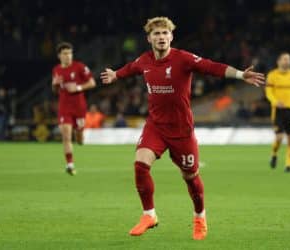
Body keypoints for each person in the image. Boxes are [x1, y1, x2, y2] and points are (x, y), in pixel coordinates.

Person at [100, 17, 265, 240]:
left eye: (165, 33)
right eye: (156, 34)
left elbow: (211, 67)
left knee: (190, 177)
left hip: (182, 131)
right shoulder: (144, 60)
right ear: (149, 38)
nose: (161, 37)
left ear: (171, 37)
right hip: (155, 126)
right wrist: (116, 74)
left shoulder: (182, 58)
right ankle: (149, 215)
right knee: (140, 164)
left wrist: (239, 74)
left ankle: (200, 218)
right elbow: (131, 68)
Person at [52, 42, 96, 175]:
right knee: (66, 136)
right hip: (64, 107)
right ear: (59, 55)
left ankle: (80, 132)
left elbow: (92, 82)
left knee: (80, 140)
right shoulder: (56, 70)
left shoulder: (79, 67)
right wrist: (54, 85)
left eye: (70, 53)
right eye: (65, 53)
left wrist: (78, 87)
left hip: (79, 108)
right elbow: (55, 89)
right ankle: (70, 164)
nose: (68, 56)